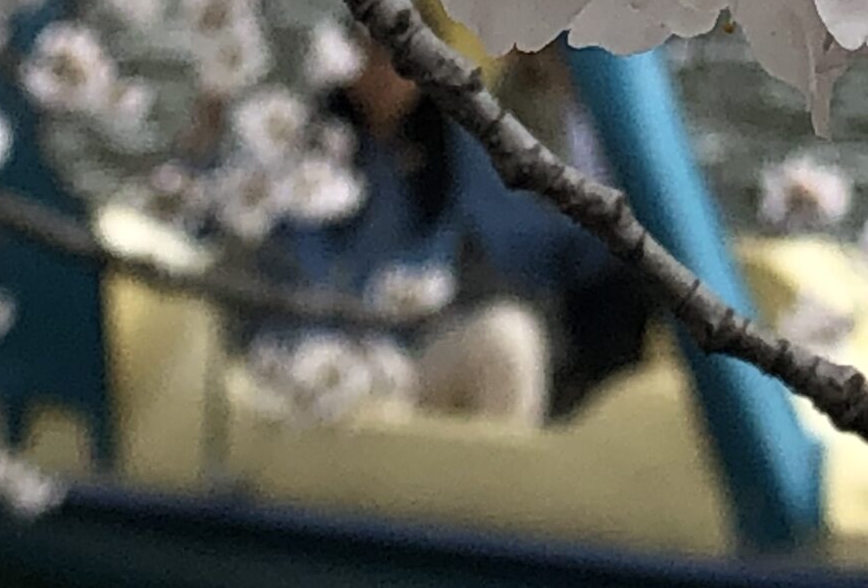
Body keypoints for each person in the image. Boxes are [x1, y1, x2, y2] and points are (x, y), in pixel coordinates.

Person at [254, 49, 649, 424]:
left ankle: (495, 492)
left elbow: (535, 235)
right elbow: (283, 260)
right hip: (314, 360)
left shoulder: (451, 144)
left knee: (507, 335)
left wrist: (631, 237)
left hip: (411, 358)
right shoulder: (306, 146)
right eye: (367, 53)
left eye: (395, 53)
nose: (383, 69)